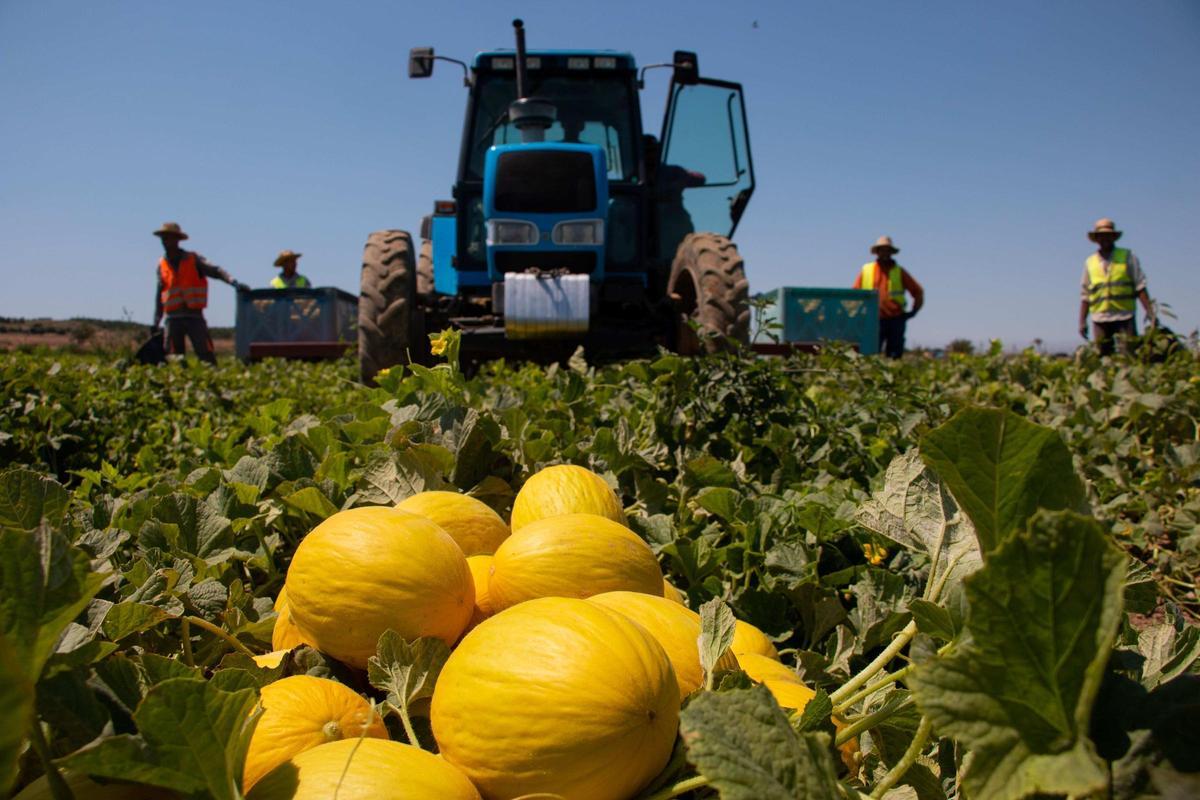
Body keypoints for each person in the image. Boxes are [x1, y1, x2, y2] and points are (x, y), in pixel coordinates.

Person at [150, 222, 247, 363]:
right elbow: (159, 295)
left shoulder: (193, 259)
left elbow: (216, 271)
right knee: (174, 359)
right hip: (172, 318)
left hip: (194, 316)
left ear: (177, 239)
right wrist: (156, 321)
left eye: (169, 238)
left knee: (206, 355)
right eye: (163, 238)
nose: (165, 241)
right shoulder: (161, 264)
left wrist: (234, 282)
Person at [1079, 218, 1154, 356]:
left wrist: (1150, 312)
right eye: (1101, 236)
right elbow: (1085, 295)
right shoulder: (1090, 262)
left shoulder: (1127, 257)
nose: (1105, 239)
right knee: (1103, 358)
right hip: (1100, 318)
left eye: (1108, 235)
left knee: (1129, 356)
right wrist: (1082, 321)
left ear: (1114, 237)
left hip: (1124, 316)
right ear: (1097, 238)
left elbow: (1140, 286)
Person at [852, 236, 924, 358]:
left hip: (895, 319)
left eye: (887, 250)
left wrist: (913, 311)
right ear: (877, 252)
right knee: (870, 355)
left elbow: (918, 291)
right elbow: (854, 294)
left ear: (891, 252)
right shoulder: (867, 270)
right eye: (882, 250)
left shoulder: (899, 271)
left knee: (894, 355)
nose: (885, 253)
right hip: (872, 319)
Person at [644, 134, 706, 259]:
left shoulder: (672, 172)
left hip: (671, 228)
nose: (651, 155)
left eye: (653, 150)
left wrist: (681, 181)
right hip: (637, 230)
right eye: (647, 151)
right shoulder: (631, 176)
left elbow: (700, 178)